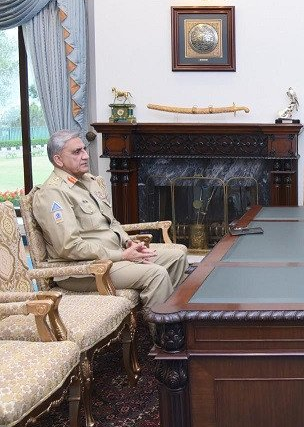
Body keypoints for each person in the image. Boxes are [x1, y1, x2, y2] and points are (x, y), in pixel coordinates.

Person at [32, 130, 189, 310]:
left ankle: (169, 315)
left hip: (114, 255)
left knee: (177, 256)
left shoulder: (88, 181)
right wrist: (121, 255)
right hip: (84, 269)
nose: (85, 156)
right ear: (58, 160)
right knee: (156, 274)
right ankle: (160, 332)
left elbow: (111, 222)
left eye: (84, 149)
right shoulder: (53, 193)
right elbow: (68, 247)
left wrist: (127, 241)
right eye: (77, 152)